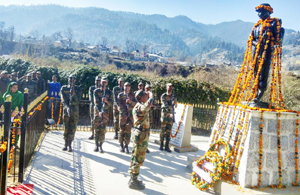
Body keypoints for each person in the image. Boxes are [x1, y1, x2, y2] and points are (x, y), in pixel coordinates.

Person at [252, 3, 284, 103]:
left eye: (261, 12)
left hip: (267, 50)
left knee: (264, 71)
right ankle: (254, 92)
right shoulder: (257, 26)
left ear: (268, 12)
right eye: (258, 12)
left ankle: (260, 93)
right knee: (255, 72)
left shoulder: (274, 23)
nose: (259, 14)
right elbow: (251, 39)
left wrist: (268, 40)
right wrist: (258, 43)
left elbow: (278, 40)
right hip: (257, 51)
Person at [128, 90, 154, 190]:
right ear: (140, 97)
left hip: (141, 134)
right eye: (145, 95)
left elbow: (148, 107)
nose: (147, 96)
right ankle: (134, 181)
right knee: (138, 158)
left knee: (135, 156)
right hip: (141, 135)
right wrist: (151, 96)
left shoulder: (139, 105)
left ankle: (133, 178)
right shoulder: (140, 107)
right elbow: (147, 106)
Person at [60, 75, 82, 152]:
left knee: (72, 129)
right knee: (66, 128)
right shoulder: (64, 88)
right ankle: (65, 144)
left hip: (75, 111)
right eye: (70, 79)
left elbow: (79, 100)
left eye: (73, 79)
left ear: (75, 80)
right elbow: (63, 99)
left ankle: (70, 145)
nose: (71, 81)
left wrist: (74, 94)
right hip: (67, 111)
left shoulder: (78, 88)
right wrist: (66, 107)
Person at [93, 77, 112, 153]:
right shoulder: (96, 91)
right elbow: (96, 102)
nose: (104, 83)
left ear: (107, 83)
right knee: (97, 129)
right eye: (103, 82)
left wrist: (106, 101)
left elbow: (111, 103)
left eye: (105, 82)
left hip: (105, 113)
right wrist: (99, 111)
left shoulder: (109, 92)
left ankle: (101, 145)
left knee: (103, 129)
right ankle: (96, 145)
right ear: (100, 82)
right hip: (98, 113)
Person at [3, 82, 24, 149]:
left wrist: (18, 113)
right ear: (10, 88)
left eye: (16, 88)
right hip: (8, 113)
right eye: (14, 87)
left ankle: (15, 143)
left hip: (16, 113)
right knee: (6, 128)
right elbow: (3, 106)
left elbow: (22, 105)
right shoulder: (6, 94)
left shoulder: (20, 94)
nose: (15, 89)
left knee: (16, 128)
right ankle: (6, 143)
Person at [117, 82, 137, 154]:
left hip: (130, 116)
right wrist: (125, 114)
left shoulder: (132, 95)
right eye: (126, 86)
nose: (127, 88)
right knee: (121, 131)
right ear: (124, 87)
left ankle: (126, 146)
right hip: (123, 116)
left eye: (128, 86)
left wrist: (130, 102)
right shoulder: (120, 95)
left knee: (128, 132)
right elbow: (119, 105)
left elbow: (136, 104)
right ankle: (121, 145)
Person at [160, 83, 177, 153]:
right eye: (169, 87)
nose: (170, 88)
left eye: (171, 87)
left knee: (168, 131)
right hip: (165, 116)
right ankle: (161, 145)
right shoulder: (164, 95)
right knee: (163, 131)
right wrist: (170, 112)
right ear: (166, 87)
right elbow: (165, 105)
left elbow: (175, 106)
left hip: (171, 117)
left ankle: (167, 146)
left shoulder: (173, 96)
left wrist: (175, 103)